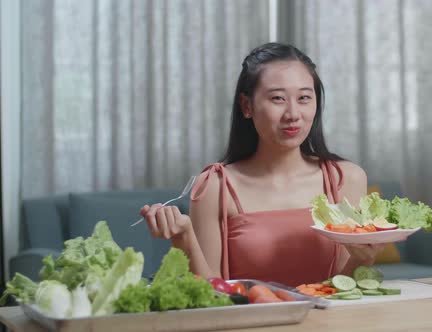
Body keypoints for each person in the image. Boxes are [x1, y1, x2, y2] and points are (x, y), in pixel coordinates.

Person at [140, 42, 385, 286]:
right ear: (247, 106)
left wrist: (364, 259)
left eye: (304, 98)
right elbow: (211, 293)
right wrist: (184, 237)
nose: (293, 114)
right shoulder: (215, 186)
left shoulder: (345, 179)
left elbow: (344, 288)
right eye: (278, 98)